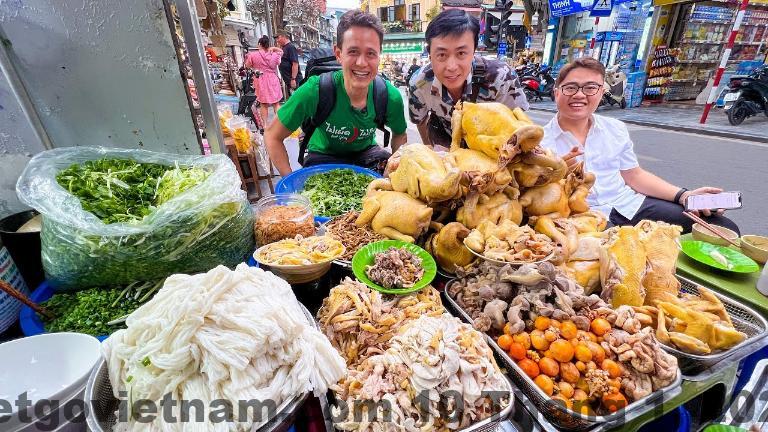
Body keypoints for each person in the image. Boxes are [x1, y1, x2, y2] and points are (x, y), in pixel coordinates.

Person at [540, 57, 739, 234]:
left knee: (722, 228)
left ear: (601, 93)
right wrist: (557, 174)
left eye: (590, 88)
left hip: (628, 205)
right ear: (557, 93)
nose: (580, 95)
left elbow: (634, 175)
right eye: (570, 87)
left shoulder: (615, 129)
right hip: (580, 218)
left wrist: (684, 196)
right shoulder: (539, 142)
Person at [264, 10, 408, 176]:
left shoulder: (389, 96)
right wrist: (290, 183)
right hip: (323, 156)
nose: (362, 63)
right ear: (339, 54)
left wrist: (395, 174)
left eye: (371, 53)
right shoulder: (314, 91)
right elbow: (272, 136)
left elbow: (399, 134)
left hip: (366, 155)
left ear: (379, 56)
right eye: (353, 51)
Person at [408, 9, 529, 148]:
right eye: (442, 55)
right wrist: (431, 152)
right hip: (445, 147)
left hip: (492, 147)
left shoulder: (501, 78)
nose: (452, 67)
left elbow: (521, 128)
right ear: (430, 55)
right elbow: (420, 120)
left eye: (461, 53)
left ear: (474, 51)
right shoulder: (419, 84)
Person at [244, 36, 283, 124]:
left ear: (259, 44)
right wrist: (274, 48)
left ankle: (265, 125)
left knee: (263, 104)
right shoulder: (274, 54)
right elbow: (281, 52)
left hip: (261, 79)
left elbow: (247, 66)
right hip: (272, 78)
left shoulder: (253, 55)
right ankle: (279, 124)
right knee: (276, 103)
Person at [275, 30, 302, 98]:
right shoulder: (284, 48)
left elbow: (295, 63)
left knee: (296, 100)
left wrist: (293, 79)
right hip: (288, 80)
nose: (277, 40)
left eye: (278, 38)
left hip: (294, 81)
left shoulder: (290, 47)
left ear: (284, 37)